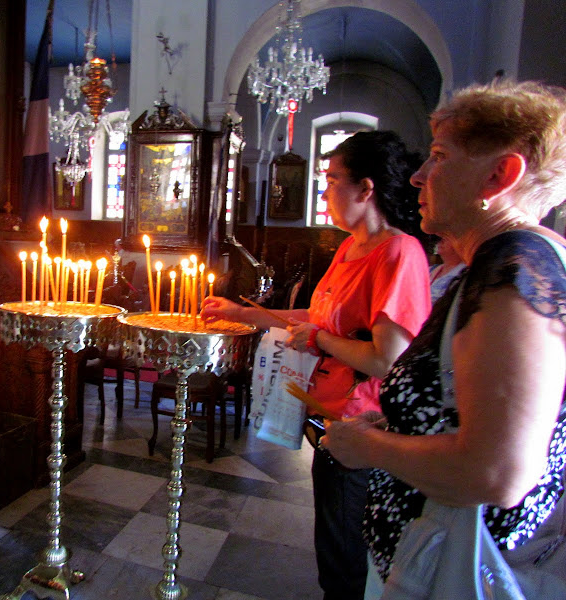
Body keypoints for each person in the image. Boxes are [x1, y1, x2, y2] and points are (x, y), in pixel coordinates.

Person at [322, 80, 566, 598]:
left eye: (438, 156)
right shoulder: (505, 262)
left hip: (455, 568)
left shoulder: (514, 271)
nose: (417, 176)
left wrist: (371, 446)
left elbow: (496, 472)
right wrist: (399, 425)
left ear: (500, 175)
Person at [202, 131, 432, 600]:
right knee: (332, 545)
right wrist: (242, 313)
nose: (323, 193)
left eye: (331, 180)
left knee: (346, 558)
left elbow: (387, 359)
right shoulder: (350, 248)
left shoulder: (398, 252)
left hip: (364, 426)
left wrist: (321, 340)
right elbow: (317, 317)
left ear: (365, 189)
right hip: (329, 419)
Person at [428, 236, 465, 303]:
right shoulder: (430, 270)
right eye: (440, 238)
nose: (441, 241)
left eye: (447, 238)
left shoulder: (464, 273)